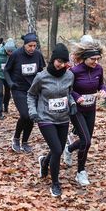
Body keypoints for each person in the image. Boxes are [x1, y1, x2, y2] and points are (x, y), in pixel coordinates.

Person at [27, 43, 76, 197]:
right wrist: (33, 112)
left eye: (64, 62)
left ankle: (44, 162)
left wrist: (73, 103)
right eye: (58, 61)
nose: (61, 65)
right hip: (45, 118)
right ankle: (55, 183)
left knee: (59, 149)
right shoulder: (41, 77)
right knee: (56, 150)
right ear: (53, 60)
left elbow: (69, 93)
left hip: (63, 118)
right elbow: (31, 94)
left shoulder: (69, 75)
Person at [63, 39, 106, 186]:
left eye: (97, 59)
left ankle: (69, 149)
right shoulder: (74, 71)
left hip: (91, 109)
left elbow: (102, 84)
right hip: (76, 109)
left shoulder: (99, 69)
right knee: (86, 141)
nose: (95, 61)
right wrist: (77, 97)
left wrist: (103, 91)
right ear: (84, 58)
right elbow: (68, 90)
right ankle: (80, 172)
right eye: (92, 59)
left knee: (86, 140)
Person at [4, 33, 46, 153]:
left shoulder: (38, 55)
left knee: (32, 117)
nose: (32, 48)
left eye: (34, 45)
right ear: (24, 45)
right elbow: (6, 70)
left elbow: (41, 71)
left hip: (33, 90)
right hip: (18, 89)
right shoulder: (16, 54)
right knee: (25, 115)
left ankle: (25, 142)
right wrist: (10, 83)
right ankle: (16, 138)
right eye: (30, 46)